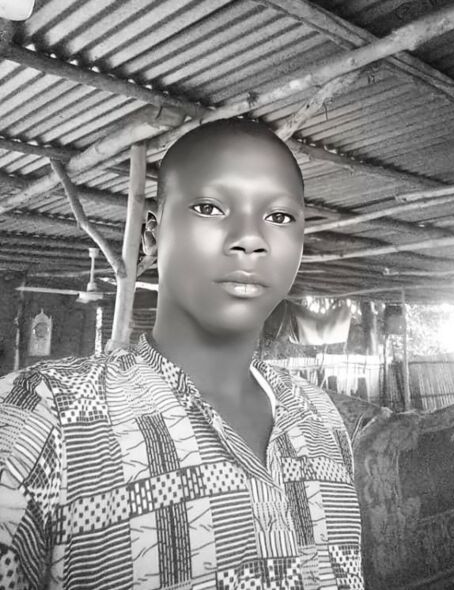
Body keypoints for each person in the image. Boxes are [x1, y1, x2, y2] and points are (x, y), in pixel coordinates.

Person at [0, 118, 364, 590]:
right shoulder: (43, 417)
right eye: (210, 207)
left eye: (279, 217)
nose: (250, 239)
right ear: (152, 236)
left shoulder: (322, 417)